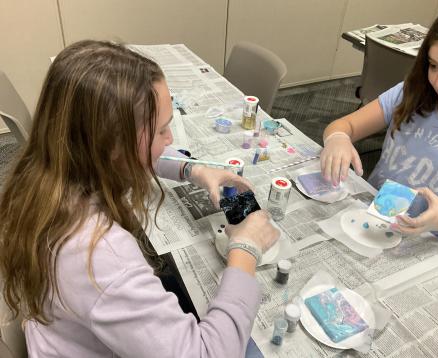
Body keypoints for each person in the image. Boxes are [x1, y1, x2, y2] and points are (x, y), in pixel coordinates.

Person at [0, 40, 280, 357]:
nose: (170, 139)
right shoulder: (102, 257)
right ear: (113, 144)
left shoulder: (49, 166)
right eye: (162, 130)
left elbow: (141, 150)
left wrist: (197, 171)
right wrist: (246, 249)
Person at [320, 0, 438, 251]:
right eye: (433, 65)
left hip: (427, 246)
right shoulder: (412, 93)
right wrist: (338, 138)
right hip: (371, 221)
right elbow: (346, 125)